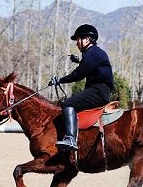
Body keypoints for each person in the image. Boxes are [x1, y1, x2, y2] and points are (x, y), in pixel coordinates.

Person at [48, 24, 114, 152]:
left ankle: (71, 139)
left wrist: (60, 80)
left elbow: (79, 74)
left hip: (98, 91)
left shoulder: (92, 53)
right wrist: (79, 60)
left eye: (78, 39)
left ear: (87, 39)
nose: (77, 43)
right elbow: (90, 65)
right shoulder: (94, 53)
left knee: (67, 104)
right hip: (99, 90)